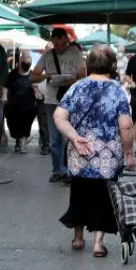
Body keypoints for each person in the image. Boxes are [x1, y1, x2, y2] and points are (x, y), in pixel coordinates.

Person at [54, 45, 135, 257]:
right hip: (108, 156)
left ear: (89, 64)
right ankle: (98, 243)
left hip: (80, 152)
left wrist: (74, 137)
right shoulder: (117, 90)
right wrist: (129, 153)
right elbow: (125, 126)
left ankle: (78, 238)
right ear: (112, 65)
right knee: (103, 196)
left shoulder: (77, 87)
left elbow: (59, 117)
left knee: (79, 192)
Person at [32, 28, 87, 184]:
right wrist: (47, 76)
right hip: (51, 100)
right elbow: (33, 76)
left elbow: (83, 75)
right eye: (56, 44)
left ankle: (72, 170)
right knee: (55, 139)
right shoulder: (47, 55)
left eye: (61, 44)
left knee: (72, 136)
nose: (59, 47)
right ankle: (58, 170)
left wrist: (71, 80)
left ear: (66, 40)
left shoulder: (76, 54)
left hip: (72, 101)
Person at [3, 52, 37, 154]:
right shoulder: (13, 74)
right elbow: (6, 86)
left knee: (26, 125)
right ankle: (18, 140)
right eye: (24, 60)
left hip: (28, 105)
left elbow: (37, 87)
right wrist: (4, 96)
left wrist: (38, 93)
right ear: (20, 61)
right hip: (13, 105)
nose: (26, 62)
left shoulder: (33, 74)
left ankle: (23, 145)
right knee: (13, 125)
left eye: (28, 61)